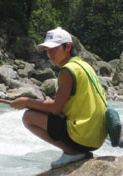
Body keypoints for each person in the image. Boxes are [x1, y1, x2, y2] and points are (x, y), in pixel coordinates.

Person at [10, 27, 109, 168]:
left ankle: (72, 152)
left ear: (67, 47)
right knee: (39, 110)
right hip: (97, 136)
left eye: (54, 49)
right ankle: (77, 151)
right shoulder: (83, 65)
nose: (49, 54)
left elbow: (56, 108)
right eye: (47, 50)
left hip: (83, 136)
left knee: (29, 117)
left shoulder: (68, 70)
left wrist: (26, 102)